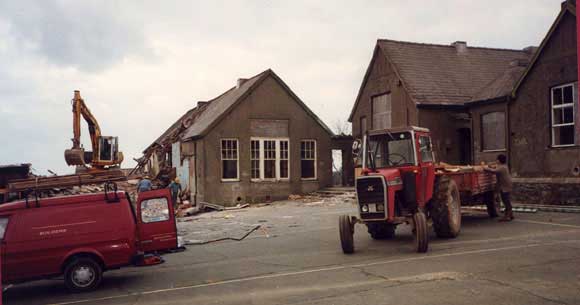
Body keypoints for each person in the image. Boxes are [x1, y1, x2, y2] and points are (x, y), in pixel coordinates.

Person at [485, 154, 514, 222]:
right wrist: (491, 165)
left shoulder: (501, 168)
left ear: (499, 160)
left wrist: (485, 168)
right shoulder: (504, 166)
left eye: (497, 159)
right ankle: (510, 214)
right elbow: (495, 167)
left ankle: (507, 216)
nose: (496, 160)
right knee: (507, 200)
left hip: (505, 186)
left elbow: (493, 171)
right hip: (507, 185)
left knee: (505, 200)